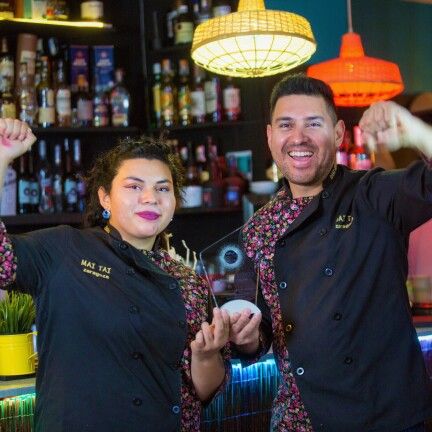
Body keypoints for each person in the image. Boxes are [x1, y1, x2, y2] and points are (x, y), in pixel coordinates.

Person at [229, 75, 432, 431]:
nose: (298, 137)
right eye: (286, 125)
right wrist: (246, 339)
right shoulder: (256, 229)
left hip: (382, 418)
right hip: (298, 420)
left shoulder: (373, 195)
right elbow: (256, 326)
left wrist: (416, 133)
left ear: (338, 134)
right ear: (270, 136)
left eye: (313, 123)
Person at [0, 120, 230, 432]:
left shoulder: (187, 280)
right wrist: (1, 158)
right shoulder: (64, 249)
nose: (150, 198)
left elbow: (201, 392)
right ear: (105, 198)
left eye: (163, 188)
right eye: (134, 186)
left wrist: (206, 357)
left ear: (174, 202)